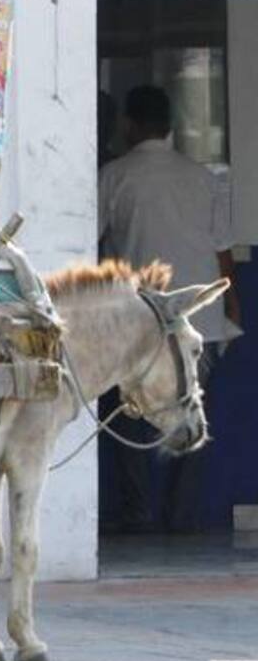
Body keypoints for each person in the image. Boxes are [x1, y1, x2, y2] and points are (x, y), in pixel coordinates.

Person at [98, 84, 242, 534]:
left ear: (128, 126)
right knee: (192, 411)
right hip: (201, 320)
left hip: (138, 320)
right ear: (172, 127)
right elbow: (223, 252)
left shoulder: (115, 175)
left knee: (128, 415)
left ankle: (137, 511)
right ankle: (183, 517)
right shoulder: (204, 177)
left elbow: (91, 239)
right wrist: (232, 308)